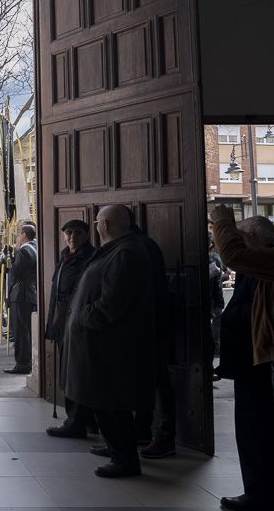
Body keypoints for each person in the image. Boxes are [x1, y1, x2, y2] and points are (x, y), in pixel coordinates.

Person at [213, 194, 274, 492]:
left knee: (267, 431)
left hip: (270, 360)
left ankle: (266, 493)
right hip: (264, 358)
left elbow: (235, 257)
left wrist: (223, 224)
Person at [64, 205, 155, 478]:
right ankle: (118, 451)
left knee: (111, 403)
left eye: (97, 221)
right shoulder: (116, 249)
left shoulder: (126, 253)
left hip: (109, 344)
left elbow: (113, 302)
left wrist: (83, 316)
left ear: (105, 224)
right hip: (100, 342)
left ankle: (124, 459)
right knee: (105, 402)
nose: (95, 225)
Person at [130, 211, 177, 459]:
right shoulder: (139, 245)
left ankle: (162, 436)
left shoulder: (136, 248)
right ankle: (140, 431)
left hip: (148, 325)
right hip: (146, 324)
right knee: (148, 379)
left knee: (157, 380)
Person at [44, 219, 96, 438]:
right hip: (62, 319)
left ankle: (77, 421)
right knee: (68, 373)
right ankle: (82, 419)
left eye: (77, 233)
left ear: (87, 235)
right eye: (68, 233)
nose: (72, 237)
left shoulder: (90, 258)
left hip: (76, 322)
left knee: (76, 374)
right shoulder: (66, 256)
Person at [5, 224, 38, 374]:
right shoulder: (35, 248)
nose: (17, 236)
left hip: (21, 294)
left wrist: (8, 266)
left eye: (19, 233)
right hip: (29, 293)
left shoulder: (24, 251)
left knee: (21, 331)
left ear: (24, 235)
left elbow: (16, 273)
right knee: (26, 330)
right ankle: (26, 361)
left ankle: (23, 363)